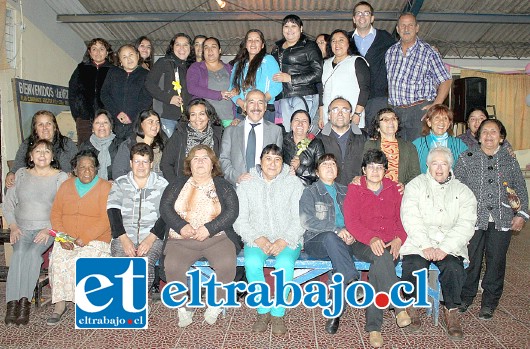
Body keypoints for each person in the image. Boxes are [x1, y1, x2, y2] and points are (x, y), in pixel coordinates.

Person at [454, 119, 528, 320]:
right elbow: (456, 189)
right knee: (470, 260)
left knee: (496, 262)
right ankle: (465, 297)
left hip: (502, 219)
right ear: (478, 137)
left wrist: (521, 215)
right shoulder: (465, 158)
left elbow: (520, 188)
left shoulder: (509, 160)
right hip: (472, 220)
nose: (488, 136)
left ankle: (489, 303)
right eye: (484, 132)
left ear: (501, 137)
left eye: (493, 132)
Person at [401, 146, 477, 339]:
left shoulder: (463, 191)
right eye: (435, 163)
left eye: (444, 164)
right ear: (427, 165)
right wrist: (425, 245)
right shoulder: (415, 185)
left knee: (453, 267)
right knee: (414, 265)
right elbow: (410, 217)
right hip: (419, 242)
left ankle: (451, 311)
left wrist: (445, 248)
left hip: (449, 244)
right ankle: (410, 305)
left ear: (450, 166)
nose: (439, 168)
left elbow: (466, 224)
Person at [160, 145, 241, 327]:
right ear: (190, 163)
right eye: (196, 158)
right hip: (182, 240)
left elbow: (232, 211)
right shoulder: (177, 184)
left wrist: (210, 228)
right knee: (172, 265)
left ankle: (216, 303)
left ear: (213, 164)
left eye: (205, 158)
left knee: (227, 263)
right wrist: (181, 226)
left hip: (216, 238)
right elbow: (164, 208)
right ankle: (182, 307)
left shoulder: (223, 186)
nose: (200, 162)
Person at [234, 144, 305, 335]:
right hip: (257, 239)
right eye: (268, 158)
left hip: (288, 238)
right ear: (260, 161)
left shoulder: (293, 183)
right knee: (252, 262)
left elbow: (300, 219)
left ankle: (278, 313)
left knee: (284, 264)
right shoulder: (247, 184)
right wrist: (258, 239)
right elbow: (240, 220)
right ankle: (263, 310)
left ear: (283, 163)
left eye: (277, 159)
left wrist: (284, 240)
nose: (272, 163)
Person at [343, 149, 410, 348]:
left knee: (379, 268)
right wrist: (371, 238)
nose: (374, 171)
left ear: (385, 171)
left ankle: (374, 329)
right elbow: (352, 222)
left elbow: (403, 219)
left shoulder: (394, 189)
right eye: (370, 167)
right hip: (362, 243)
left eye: (379, 167)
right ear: (363, 170)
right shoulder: (355, 189)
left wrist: (400, 238)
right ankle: (399, 305)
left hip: (391, 244)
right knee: (382, 258)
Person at [3, 140, 68, 326]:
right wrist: (13, 225)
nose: (42, 154)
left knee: (32, 254)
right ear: (30, 156)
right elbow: (9, 204)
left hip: (45, 230)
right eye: (38, 151)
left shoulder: (60, 177)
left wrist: (49, 229)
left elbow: (62, 208)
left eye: (47, 151)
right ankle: (12, 305)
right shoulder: (21, 174)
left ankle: (24, 304)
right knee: (19, 254)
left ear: (52, 156)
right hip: (20, 228)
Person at [45, 150, 112, 325]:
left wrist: (85, 238)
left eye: (91, 167)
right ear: (75, 169)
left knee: (81, 260)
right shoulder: (66, 186)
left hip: (95, 240)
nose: (87, 171)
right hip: (67, 239)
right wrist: (62, 238)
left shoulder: (106, 187)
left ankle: (87, 304)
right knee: (58, 259)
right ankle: (60, 305)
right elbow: (56, 213)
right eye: (82, 167)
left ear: (97, 169)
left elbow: (107, 219)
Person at [300, 153, 358, 334]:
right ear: (317, 172)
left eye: (332, 163)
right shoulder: (310, 192)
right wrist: (336, 229)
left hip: (342, 242)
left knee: (338, 259)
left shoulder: (346, 191)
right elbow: (306, 220)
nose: (329, 167)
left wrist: (353, 235)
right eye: (324, 164)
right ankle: (352, 279)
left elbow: (356, 219)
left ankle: (335, 313)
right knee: (331, 238)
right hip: (316, 241)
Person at [107, 143, 168, 291]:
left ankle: (136, 306)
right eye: (137, 161)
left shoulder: (162, 184)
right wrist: (124, 239)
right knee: (121, 268)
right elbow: (113, 211)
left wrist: (150, 239)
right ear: (130, 163)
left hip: (152, 238)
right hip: (123, 237)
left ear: (151, 164)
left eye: (145, 161)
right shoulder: (120, 183)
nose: (141, 166)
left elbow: (166, 216)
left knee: (143, 267)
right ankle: (121, 306)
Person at [385, 13, 452, 141]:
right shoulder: (390, 52)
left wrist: (436, 105)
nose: (406, 28)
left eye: (410, 25)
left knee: (417, 153)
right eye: (403, 25)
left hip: (419, 112)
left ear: (417, 28)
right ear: (397, 29)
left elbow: (446, 80)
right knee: (398, 154)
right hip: (395, 112)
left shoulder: (429, 52)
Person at [219, 89, 283, 186]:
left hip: (266, 189)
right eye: (251, 102)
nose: (256, 107)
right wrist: (237, 177)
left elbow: (278, 162)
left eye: (260, 103)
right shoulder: (230, 131)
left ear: (265, 107)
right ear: (245, 106)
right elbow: (223, 159)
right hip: (237, 189)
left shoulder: (276, 131)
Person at [271, 14, 323, 132]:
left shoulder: (309, 46)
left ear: (301, 28)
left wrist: (291, 78)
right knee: (283, 132)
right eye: (286, 26)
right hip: (280, 98)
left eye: (293, 26)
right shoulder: (276, 48)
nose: (289, 29)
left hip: (303, 94)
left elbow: (318, 73)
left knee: (301, 132)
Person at [349, 1, 396, 129]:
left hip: (378, 98)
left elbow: (402, 50)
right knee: (356, 138)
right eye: (358, 13)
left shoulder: (385, 37)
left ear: (372, 18)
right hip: (354, 98)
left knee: (378, 135)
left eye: (366, 13)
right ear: (354, 19)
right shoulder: (347, 40)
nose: (362, 16)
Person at [4, 110, 77, 189]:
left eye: (48, 124)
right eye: (40, 124)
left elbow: (79, 166)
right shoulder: (27, 145)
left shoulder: (67, 144)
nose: (45, 128)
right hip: (33, 187)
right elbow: (17, 166)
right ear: (35, 129)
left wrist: (74, 176)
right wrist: (11, 174)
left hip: (61, 188)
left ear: (55, 127)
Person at [161, 98, 223, 183]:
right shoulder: (179, 135)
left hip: (211, 186)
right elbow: (166, 163)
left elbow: (222, 165)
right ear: (188, 118)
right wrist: (175, 185)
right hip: (183, 185)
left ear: (209, 116)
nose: (198, 119)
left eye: (202, 114)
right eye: (193, 114)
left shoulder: (218, 135)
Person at [101, 44, 152, 142]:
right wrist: (117, 113)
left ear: (137, 55)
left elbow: (146, 100)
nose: (128, 59)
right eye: (124, 57)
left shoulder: (146, 75)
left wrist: (132, 117)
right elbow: (104, 94)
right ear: (120, 61)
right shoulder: (113, 72)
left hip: (134, 123)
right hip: (114, 122)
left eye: (131, 55)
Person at [229, 29, 282, 123]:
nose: (253, 43)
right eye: (250, 40)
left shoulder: (269, 60)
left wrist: (259, 103)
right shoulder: (238, 64)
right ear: (245, 44)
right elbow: (231, 89)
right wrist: (242, 104)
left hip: (265, 111)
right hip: (243, 111)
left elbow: (277, 86)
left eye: (257, 40)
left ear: (262, 45)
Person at [320, 29, 370, 129]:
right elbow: (321, 90)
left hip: (351, 116)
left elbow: (365, 89)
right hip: (329, 117)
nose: (337, 44)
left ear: (349, 43)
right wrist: (321, 115)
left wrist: (357, 114)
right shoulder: (325, 63)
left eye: (341, 40)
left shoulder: (357, 61)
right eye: (333, 41)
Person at [146, 33, 192, 137]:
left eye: (185, 45)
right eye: (178, 44)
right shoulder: (164, 62)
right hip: (166, 117)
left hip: (186, 120)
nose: (182, 48)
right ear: (172, 47)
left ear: (190, 48)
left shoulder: (191, 68)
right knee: (168, 150)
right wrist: (169, 98)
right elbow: (149, 84)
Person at [69, 38, 114, 144]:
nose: (98, 52)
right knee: (84, 149)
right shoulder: (81, 69)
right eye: (94, 49)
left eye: (101, 49)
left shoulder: (114, 71)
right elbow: (72, 92)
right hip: (84, 118)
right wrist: (78, 114)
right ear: (89, 52)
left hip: (106, 118)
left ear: (107, 52)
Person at [186, 37, 236, 128]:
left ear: (219, 50)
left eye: (213, 47)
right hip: (206, 119)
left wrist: (236, 90)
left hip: (229, 117)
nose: (210, 50)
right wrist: (218, 94)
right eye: (206, 48)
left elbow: (239, 86)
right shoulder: (196, 67)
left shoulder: (230, 68)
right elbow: (192, 88)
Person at [317, 97, 366, 185]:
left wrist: (363, 178)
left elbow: (373, 164)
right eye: (335, 110)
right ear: (328, 115)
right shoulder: (319, 140)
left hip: (358, 191)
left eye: (345, 110)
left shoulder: (364, 138)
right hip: (330, 192)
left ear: (351, 115)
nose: (340, 114)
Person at [364, 108, 420, 185]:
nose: (391, 121)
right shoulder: (370, 145)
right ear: (378, 127)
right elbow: (364, 170)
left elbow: (415, 174)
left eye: (394, 119)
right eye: (385, 119)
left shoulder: (409, 146)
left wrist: (404, 186)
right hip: (376, 192)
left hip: (401, 193)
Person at [412, 104, 467, 173]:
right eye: (437, 118)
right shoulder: (417, 144)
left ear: (449, 124)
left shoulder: (459, 145)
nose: (441, 122)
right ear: (429, 122)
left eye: (445, 118)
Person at [112, 109, 167, 178]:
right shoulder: (128, 145)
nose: (155, 125)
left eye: (157, 122)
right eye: (150, 122)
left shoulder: (164, 144)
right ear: (141, 124)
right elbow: (118, 172)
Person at [282, 110, 325, 186]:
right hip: (284, 187)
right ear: (291, 124)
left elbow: (322, 172)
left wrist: (300, 168)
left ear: (309, 126)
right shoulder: (283, 140)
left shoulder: (316, 144)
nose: (300, 124)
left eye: (304, 121)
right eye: (296, 120)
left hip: (307, 189)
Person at [78, 110, 120, 180]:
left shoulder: (120, 146)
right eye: (97, 123)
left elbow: (124, 171)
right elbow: (80, 171)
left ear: (111, 127)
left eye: (105, 122)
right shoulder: (85, 147)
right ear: (92, 128)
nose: (101, 126)